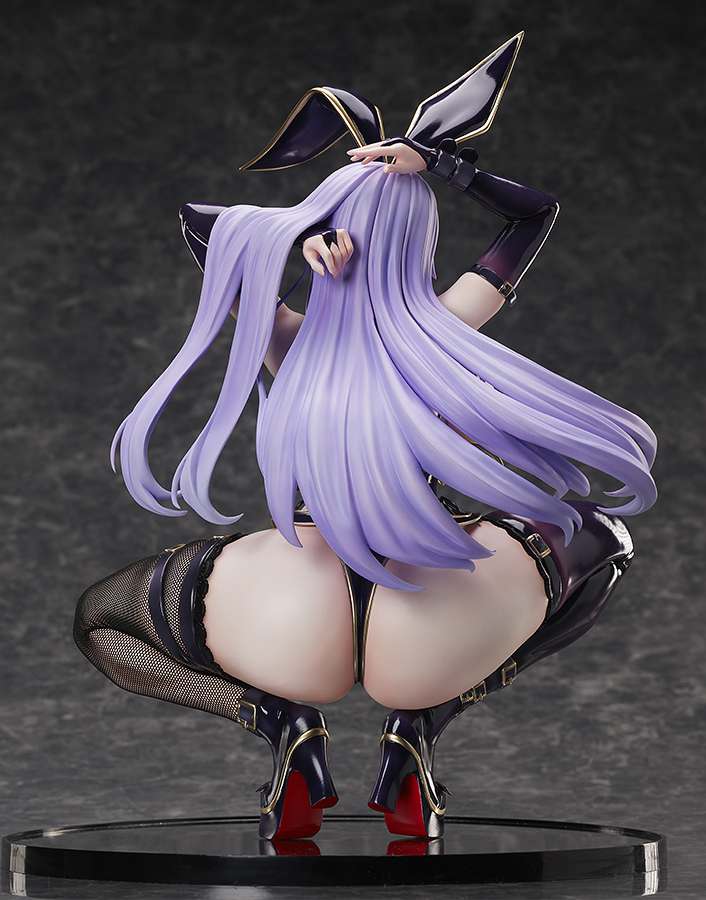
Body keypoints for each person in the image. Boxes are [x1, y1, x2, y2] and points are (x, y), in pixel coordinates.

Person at [74, 34, 656, 841]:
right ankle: (422, 727)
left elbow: (201, 226)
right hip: (435, 623)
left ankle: (278, 724)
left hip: (289, 611)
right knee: (606, 541)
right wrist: (443, 167)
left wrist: (287, 238)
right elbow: (535, 215)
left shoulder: (286, 335)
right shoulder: (450, 324)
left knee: (100, 619)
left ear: (327, 227)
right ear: (421, 242)